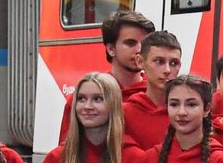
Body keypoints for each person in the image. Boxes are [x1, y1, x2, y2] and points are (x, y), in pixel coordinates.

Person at [59, 9, 155, 139]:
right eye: (130, 43)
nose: (139, 50)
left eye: (144, 44)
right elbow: (67, 151)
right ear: (111, 49)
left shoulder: (157, 95)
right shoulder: (84, 98)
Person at [123, 30, 182, 150]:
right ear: (140, 62)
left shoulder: (188, 113)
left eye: (174, 63)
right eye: (159, 61)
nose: (167, 70)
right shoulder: (124, 113)